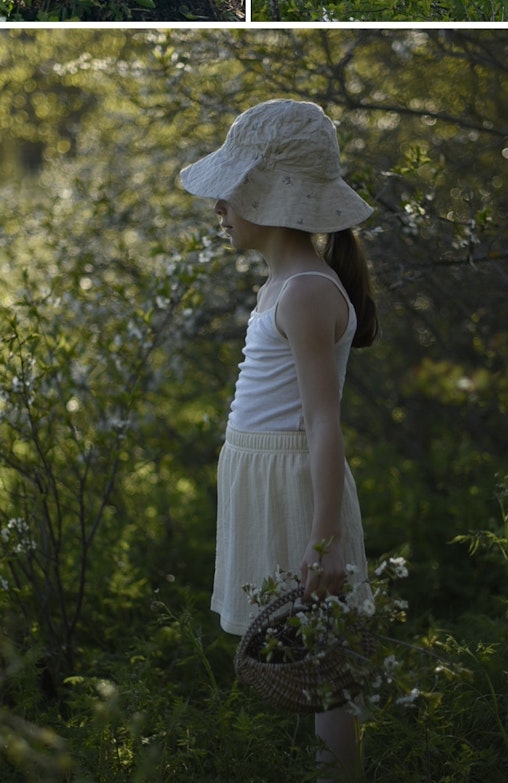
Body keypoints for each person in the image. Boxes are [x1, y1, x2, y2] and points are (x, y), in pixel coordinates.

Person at [180, 98, 379, 782]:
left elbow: (322, 422)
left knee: (328, 666)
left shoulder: (305, 292)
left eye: (232, 191)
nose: (219, 208)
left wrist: (323, 540)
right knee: (307, 657)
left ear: (272, 197)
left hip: (296, 488)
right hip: (266, 480)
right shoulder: (281, 286)